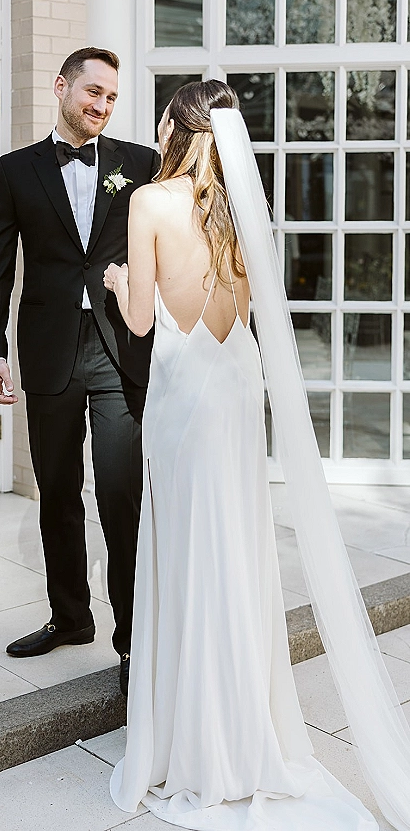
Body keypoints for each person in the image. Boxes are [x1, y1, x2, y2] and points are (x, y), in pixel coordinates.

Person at [103, 80, 410, 829]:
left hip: (182, 399)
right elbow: (252, 310)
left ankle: (192, 740)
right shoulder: (247, 206)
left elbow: (141, 322)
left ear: (177, 126)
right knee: (237, 552)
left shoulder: (149, 202)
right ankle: (248, 728)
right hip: (237, 393)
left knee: (185, 551)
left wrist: (115, 280)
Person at [0, 47, 160, 696]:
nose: (102, 107)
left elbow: (171, 241)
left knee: (119, 494)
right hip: (50, 349)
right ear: (61, 87)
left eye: (111, 98)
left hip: (118, 349)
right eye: (93, 93)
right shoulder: (15, 171)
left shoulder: (141, 163)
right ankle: (70, 617)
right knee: (55, 489)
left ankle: (136, 641)